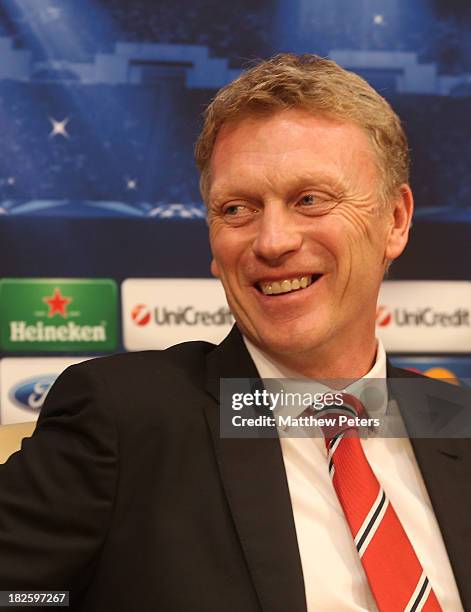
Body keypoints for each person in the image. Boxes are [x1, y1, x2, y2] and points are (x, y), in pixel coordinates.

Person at [0, 54, 468, 611]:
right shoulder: (125, 417)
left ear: (395, 220)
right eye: (238, 208)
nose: (272, 241)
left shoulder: (448, 415)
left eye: (309, 200)